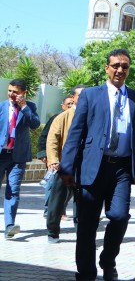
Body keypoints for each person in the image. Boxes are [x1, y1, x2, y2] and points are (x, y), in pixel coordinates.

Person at [59, 49, 135, 281]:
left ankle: (108, 260)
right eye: (116, 65)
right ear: (107, 68)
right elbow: (75, 133)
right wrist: (67, 167)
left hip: (121, 168)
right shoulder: (91, 95)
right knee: (87, 225)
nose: (120, 70)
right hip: (93, 168)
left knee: (119, 216)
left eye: (125, 66)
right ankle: (86, 273)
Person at [1, 78, 41, 239]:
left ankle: (9, 225)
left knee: (14, 190)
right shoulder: (1, 107)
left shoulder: (29, 107)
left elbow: (35, 124)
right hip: (1, 154)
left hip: (17, 157)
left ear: (23, 93)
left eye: (15, 92)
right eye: (10, 90)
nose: (11, 94)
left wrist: (24, 106)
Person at [45, 85, 86, 243]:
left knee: (83, 201)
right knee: (57, 200)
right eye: (80, 96)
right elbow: (52, 140)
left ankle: (81, 233)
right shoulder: (63, 117)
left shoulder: (93, 115)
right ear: (73, 97)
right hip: (65, 165)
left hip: (85, 167)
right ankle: (52, 231)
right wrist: (54, 160)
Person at [37, 89, 79, 218]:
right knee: (54, 188)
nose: (70, 107)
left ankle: (64, 213)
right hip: (60, 163)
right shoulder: (59, 118)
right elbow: (48, 137)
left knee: (72, 192)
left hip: (79, 165)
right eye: (68, 105)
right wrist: (47, 156)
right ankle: (50, 213)